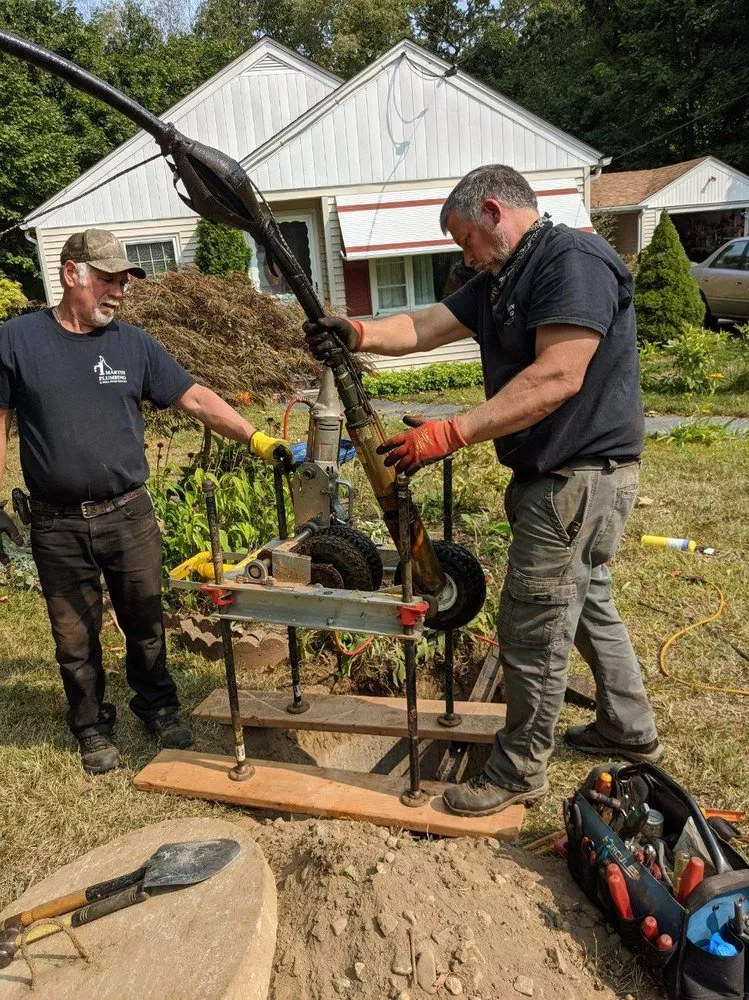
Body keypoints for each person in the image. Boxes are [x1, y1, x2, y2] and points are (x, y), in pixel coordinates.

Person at [304, 164, 662, 818]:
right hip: (559, 478)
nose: (464, 255)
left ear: (494, 211)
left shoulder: (569, 261)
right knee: (587, 606)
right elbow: (423, 327)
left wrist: (450, 433)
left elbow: (558, 376)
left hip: (576, 478)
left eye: (464, 238)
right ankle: (628, 727)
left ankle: (518, 771)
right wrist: (355, 333)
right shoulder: (503, 276)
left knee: (533, 626)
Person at [0, 229, 290, 774]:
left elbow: (195, 397)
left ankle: (157, 706)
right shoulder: (17, 340)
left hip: (128, 514)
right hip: (57, 523)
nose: (118, 292)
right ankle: (91, 726)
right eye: (107, 279)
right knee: (73, 635)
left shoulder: (133, 345)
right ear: (71, 273)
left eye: (124, 282)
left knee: (146, 621)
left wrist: (255, 437)